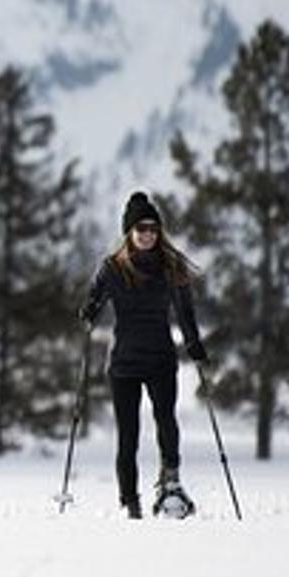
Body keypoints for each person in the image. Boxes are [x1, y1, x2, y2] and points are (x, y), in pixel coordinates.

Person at [81, 190, 208, 519]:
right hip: (123, 363)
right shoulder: (112, 268)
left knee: (166, 421)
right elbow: (92, 302)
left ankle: (171, 481)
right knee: (128, 436)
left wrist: (193, 342)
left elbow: (185, 311)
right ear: (129, 233)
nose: (148, 235)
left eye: (153, 229)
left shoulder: (171, 266)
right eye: (141, 229)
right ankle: (130, 502)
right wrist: (89, 312)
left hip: (161, 359)